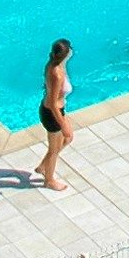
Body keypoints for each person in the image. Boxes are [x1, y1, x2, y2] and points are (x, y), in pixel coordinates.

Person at [35, 40, 75, 190]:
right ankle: (49, 180)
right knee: (54, 149)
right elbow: (52, 103)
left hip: (56, 110)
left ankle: (43, 166)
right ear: (66, 54)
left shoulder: (54, 64)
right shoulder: (57, 74)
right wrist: (63, 124)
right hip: (52, 113)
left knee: (68, 138)